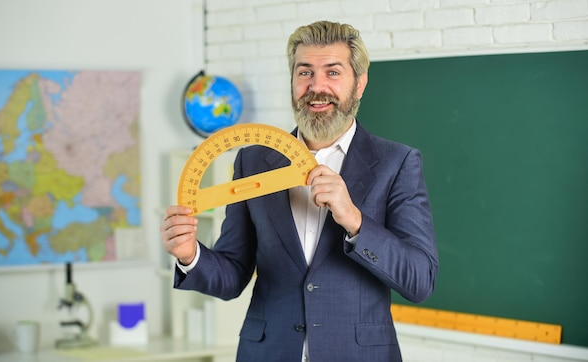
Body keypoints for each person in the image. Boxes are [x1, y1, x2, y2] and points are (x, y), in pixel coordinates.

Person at [160, 20, 438, 362]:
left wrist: (354, 221)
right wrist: (191, 255)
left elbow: (420, 279)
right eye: (304, 72)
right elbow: (232, 275)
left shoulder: (396, 163)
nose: (316, 86)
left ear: (360, 83)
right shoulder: (253, 161)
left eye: (333, 73)